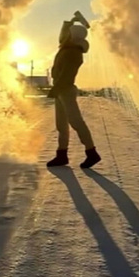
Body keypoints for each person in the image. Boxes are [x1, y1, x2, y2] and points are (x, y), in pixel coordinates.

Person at [46, 11, 101, 169]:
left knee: (76, 122)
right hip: (61, 89)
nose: (66, 35)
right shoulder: (67, 47)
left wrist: (56, 90)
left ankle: (92, 153)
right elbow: (62, 36)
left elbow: (67, 76)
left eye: (69, 33)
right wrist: (71, 21)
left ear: (74, 36)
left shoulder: (73, 53)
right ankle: (61, 155)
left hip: (65, 89)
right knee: (61, 125)